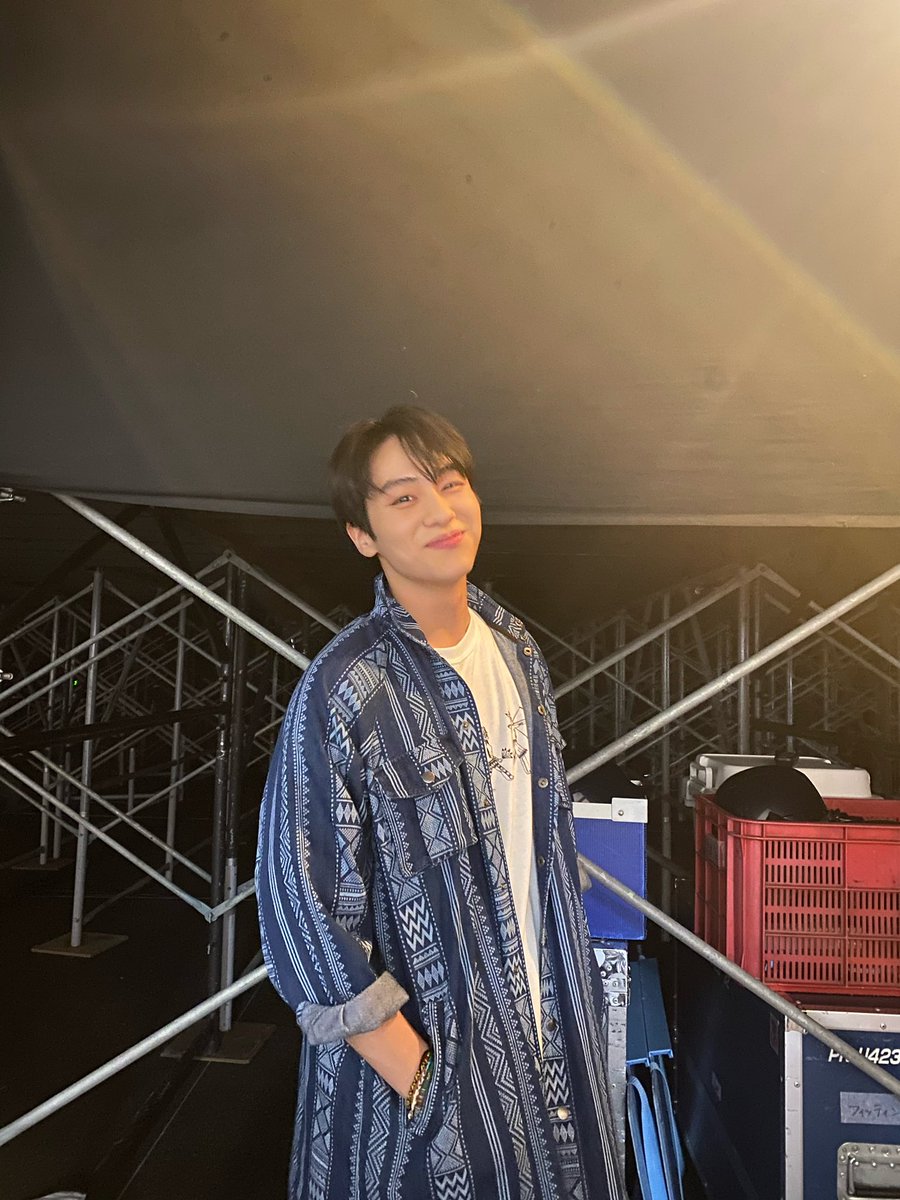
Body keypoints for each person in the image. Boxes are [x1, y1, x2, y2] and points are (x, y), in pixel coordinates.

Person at [256, 406, 624, 1200]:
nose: (440, 512)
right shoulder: (347, 686)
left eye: (450, 485)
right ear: (363, 535)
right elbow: (303, 907)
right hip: (430, 1068)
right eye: (403, 498)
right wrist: (421, 1079)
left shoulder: (517, 650)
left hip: (549, 1030)